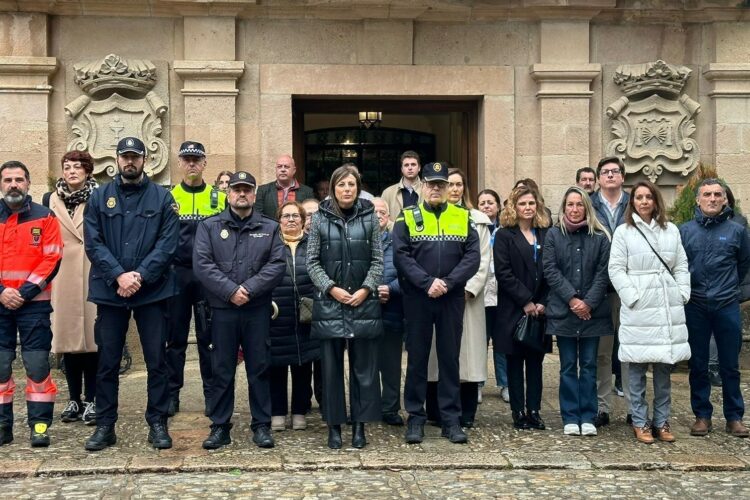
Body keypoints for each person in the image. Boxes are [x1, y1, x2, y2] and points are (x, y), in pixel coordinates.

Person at [83, 137, 179, 451]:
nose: (129, 162)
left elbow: (167, 244)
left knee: (157, 361)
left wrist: (139, 275)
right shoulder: (100, 197)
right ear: (117, 159)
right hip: (111, 291)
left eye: (134, 157)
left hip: (152, 291)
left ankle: (157, 423)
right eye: (125, 157)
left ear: (144, 160)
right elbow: (93, 242)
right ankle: (105, 426)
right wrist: (119, 276)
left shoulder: (161, 198)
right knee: (108, 362)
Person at [193, 171, 286, 449]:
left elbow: (277, 264)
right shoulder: (209, 227)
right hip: (222, 310)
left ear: (254, 194)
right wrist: (230, 291)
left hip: (257, 310)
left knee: (259, 368)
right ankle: (220, 426)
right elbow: (202, 264)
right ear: (228, 193)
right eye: (237, 189)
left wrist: (250, 289)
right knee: (222, 369)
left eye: (247, 189)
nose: (241, 194)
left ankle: (261, 425)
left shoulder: (269, 227)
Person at [393, 162, 480, 445]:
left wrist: (449, 282)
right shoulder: (406, 216)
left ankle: (450, 420)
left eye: (441, 185)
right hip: (419, 297)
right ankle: (415, 418)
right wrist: (427, 282)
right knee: (417, 359)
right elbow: (401, 256)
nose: (436, 189)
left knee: (449, 359)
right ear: (423, 186)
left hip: (451, 298)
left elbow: (472, 257)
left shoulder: (462, 216)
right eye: (431, 184)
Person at [306, 164, 384, 450]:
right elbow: (311, 262)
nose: (347, 190)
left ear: (358, 187)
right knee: (331, 371)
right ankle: (334, 427)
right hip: (330, 303)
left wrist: (366, 289)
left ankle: (360, 426)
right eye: (341, 185)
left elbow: (378, 260)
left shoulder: (370, 217)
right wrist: (331, 288)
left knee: (363, 370)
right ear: (333, 189)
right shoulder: (319, 219)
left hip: (363, 304)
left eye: (351, 184)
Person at [609, 181, 691, 444]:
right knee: (636, 369)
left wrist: (682, 293)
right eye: (639, 197)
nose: (643, 202)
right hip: (640, 309)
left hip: (667, 307)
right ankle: (639, 420)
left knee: (664, 371)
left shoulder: (671, 230)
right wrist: (633, 297)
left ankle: (662, 420)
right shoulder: (624, 232)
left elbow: (681, 265)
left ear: (656, 201)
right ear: (632, 202)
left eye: (648, 197)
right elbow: (616, 269)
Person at [680, 178, 750, 438]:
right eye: (707, 194)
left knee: (730, 364)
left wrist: (732, 291)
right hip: (696, 304)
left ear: (724, 199)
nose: (712, 198)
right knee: (698, 364)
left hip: (726, 304)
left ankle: (734, 417)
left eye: (717, 194)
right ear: (698, 200)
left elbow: (743, 265)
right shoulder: (684, 231)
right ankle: (702, 415)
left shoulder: (737, 230)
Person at [0, 160, 63, 447]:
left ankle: (39, 426)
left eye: (19, 180)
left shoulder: (45, 217)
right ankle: (3, 427)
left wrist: (23, 293)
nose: (13, 184)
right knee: (0, 368)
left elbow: (52, 258)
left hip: (34, 305)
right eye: (8, 180)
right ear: (1, 184)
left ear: (28, 183)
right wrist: (2, 291)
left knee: (37, 366)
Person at [543, 186, 612, 437]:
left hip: (594, 313)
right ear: (564, 207)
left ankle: (588, 415)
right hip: (564, 311)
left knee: (590, 365)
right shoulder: (553, 235)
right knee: (568, 365)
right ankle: (570, 416)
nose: (574, 209)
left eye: (579, 204)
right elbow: (550, 270)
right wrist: (573, 300)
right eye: (570, 204)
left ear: (587, 207)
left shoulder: (600, 237)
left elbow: (603, 273)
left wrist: (588, 303)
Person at [425, 168, 490, 428]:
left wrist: (466, 288)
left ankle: (465, 412)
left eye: (458, 184)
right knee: (434, 357)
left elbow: (482, 259)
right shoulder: (425, 216)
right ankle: (436, 410)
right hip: (435, 296)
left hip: (465, 298)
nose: (453, 189)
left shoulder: (477, 219)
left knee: (466, 356)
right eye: (449, 184)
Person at [166, 141, 226, 417]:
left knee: (209, 338)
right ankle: (171, 394)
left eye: (196, 159)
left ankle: (212, 395)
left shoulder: (219, 198)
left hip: (208, 277)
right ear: (179, 163)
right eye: (187, 159)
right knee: (174, 339)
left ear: (204, 163)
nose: (191, 164)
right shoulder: (168, 197)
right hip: (177, 275)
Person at [47, 152, 99, 427]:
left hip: (92, 271)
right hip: (62, 274)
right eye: (67, 167)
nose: (71, 171)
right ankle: (73, 398)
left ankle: (92, 398)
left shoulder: (99, 198)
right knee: (67, 340)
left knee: (92, 341)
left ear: (88, 171)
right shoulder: (50, 199)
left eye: (77, 167)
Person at [493, 185, 550, 430]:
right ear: (514, 207)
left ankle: (534, 410)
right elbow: (503, 273)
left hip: (539, 309)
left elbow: (551, 270)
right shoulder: (505, 235)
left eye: (531, 203)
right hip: (513, 308)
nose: (528, 208)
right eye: (523, 204)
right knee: (515, 362)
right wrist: (525, 300)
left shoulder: (545, 234)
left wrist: (542, 302)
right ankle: (518, 411)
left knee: (535, 363)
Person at [268, 201, 319, 432]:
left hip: (306, 313)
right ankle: (277, 412)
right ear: (279, 220)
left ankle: (299, 411)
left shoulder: (313, 244)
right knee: (276, 365)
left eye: (295, 216)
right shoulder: (271, 243)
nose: (291, 220)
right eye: (286, 216)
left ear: (302, 219)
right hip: (277, 312)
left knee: (303, 365)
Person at [590, 156, 631, 427]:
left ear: (622, 176)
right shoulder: (589, 203)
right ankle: (602, 406)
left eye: (615, 171)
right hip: (601, 288)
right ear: (598, 178)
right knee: (603, 352)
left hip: (629, 287)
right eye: (605, 172)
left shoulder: (634, 202)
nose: (610, 176)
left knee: (629, 350)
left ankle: (633, 407)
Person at [372, 197, 406, 426]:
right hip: (366, 311)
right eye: (373, 213)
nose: (378, 217)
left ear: (389, 218)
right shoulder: (358, 242)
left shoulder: (399, 243)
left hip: (393, 310)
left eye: (382, 212)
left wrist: (390, 289)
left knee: (391, 364)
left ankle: (390, 408)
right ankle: (369, 406)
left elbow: (408, 274)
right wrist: (371, 291)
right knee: (366, 364)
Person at [477, 188, 509, 403]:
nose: (487, 206)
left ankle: (505, 383)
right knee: (480, 340)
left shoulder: (506, 230)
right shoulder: (474, 228)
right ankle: (477, 383)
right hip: (480, 293)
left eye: (491, 202)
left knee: (502, 341)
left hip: (503, 293)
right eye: (482, 203)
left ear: (498, 206)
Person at [255, 155, 314, 220]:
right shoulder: (263, 190)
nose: (283, 170)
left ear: (294, 170)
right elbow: (258, 216)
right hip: (270, 229)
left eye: (286, 167)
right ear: (276, 169)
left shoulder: (307, 192)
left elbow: (310, 216)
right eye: (279, 167)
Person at [381, 151, 423, 221]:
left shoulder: (427, 190)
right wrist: (394, 228)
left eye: (413, 164)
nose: (410, 168)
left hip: (421, 231)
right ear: (402, 169)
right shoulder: (388, 193)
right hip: (396, 231)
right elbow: (381, 217)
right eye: (406, 165)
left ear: (419, 168)